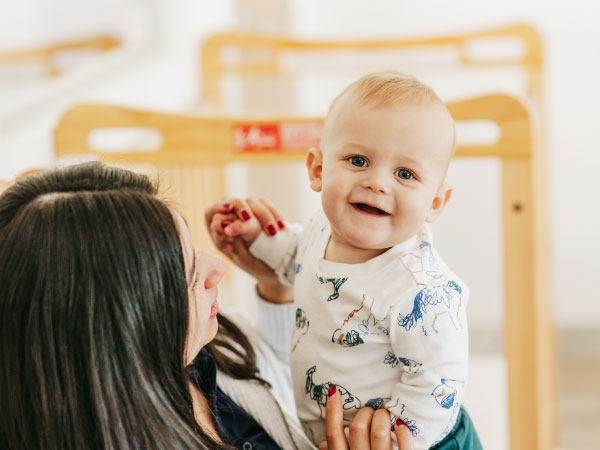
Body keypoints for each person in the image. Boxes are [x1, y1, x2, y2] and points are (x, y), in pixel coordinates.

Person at [0, 161, 414, 450]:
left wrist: (277, 287)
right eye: (187, 274)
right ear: (120, 330)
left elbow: (283, 389)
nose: (218, 266)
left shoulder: (207, 349)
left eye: (196, 251)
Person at [207, 72, 482, 450]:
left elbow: (439, 383)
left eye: (405, 173)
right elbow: (294, 258)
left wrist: (397, 439)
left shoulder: (421, 288)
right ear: (318, 170)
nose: (378, 183)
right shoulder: (320, 231)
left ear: (434, 203)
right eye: (358, 160)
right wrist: (255, 239)